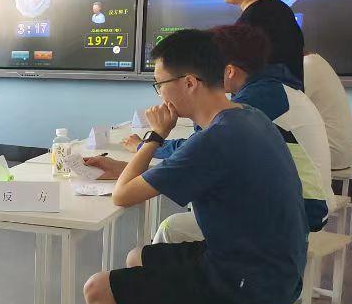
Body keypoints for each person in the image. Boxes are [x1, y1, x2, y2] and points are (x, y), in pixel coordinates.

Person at [81, 30, 309, 304]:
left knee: (98, 291)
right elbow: (171, 170)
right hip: (272, 264)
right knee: (140, 257)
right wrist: (122, 167)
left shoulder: (216, 139)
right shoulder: (244, 117)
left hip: (253, 279)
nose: (159, 95)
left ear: (189, 82)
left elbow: (123, 196)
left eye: (160, 84)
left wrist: (155, 135)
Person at [125, 25, 331, 242]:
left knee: (173, 226)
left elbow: (198, 146)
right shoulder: (261, 97)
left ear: (228, 70)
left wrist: (151, 142)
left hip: (302, 211)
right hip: (298, 203)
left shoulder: (253, 103)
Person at [219, 0, 304, 88]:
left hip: (265, 99)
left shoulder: (250, 23)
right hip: (289, 98)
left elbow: (235, 79)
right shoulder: (283, 11)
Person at [304, 52, 352, 170]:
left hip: (333, 153)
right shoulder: (317, 61)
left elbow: (283, 108)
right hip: (345, 152)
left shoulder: (307, 65)